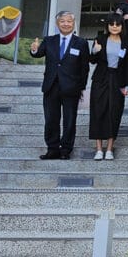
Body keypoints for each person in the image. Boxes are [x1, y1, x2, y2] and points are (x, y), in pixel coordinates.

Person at [30, 11, 90, 160]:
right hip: (51, 86)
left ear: (73, 23)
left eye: (69, 21)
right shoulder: (49, 40)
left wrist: (81, 87)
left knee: (69, 120)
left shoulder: (81, 43)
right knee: (51, 119)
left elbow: (84, 67)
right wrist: (34, 49)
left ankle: (66, 150)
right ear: (57, 24)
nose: (66, 24)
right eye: (62, 21)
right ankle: (52, 149)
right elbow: (38, 53)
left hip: (71, 87)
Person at [89, 13, 128, 161]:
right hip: (100, 79)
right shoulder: (100, 39)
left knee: (114, 113)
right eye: (111, 24)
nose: (114, 27)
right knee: (98, 112)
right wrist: (95, 51)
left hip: (117, 80)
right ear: (107, 26)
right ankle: (98, 149)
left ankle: (109, 149)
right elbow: (92, 60)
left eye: (117, 24)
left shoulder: (126, 43)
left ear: (121, 26)